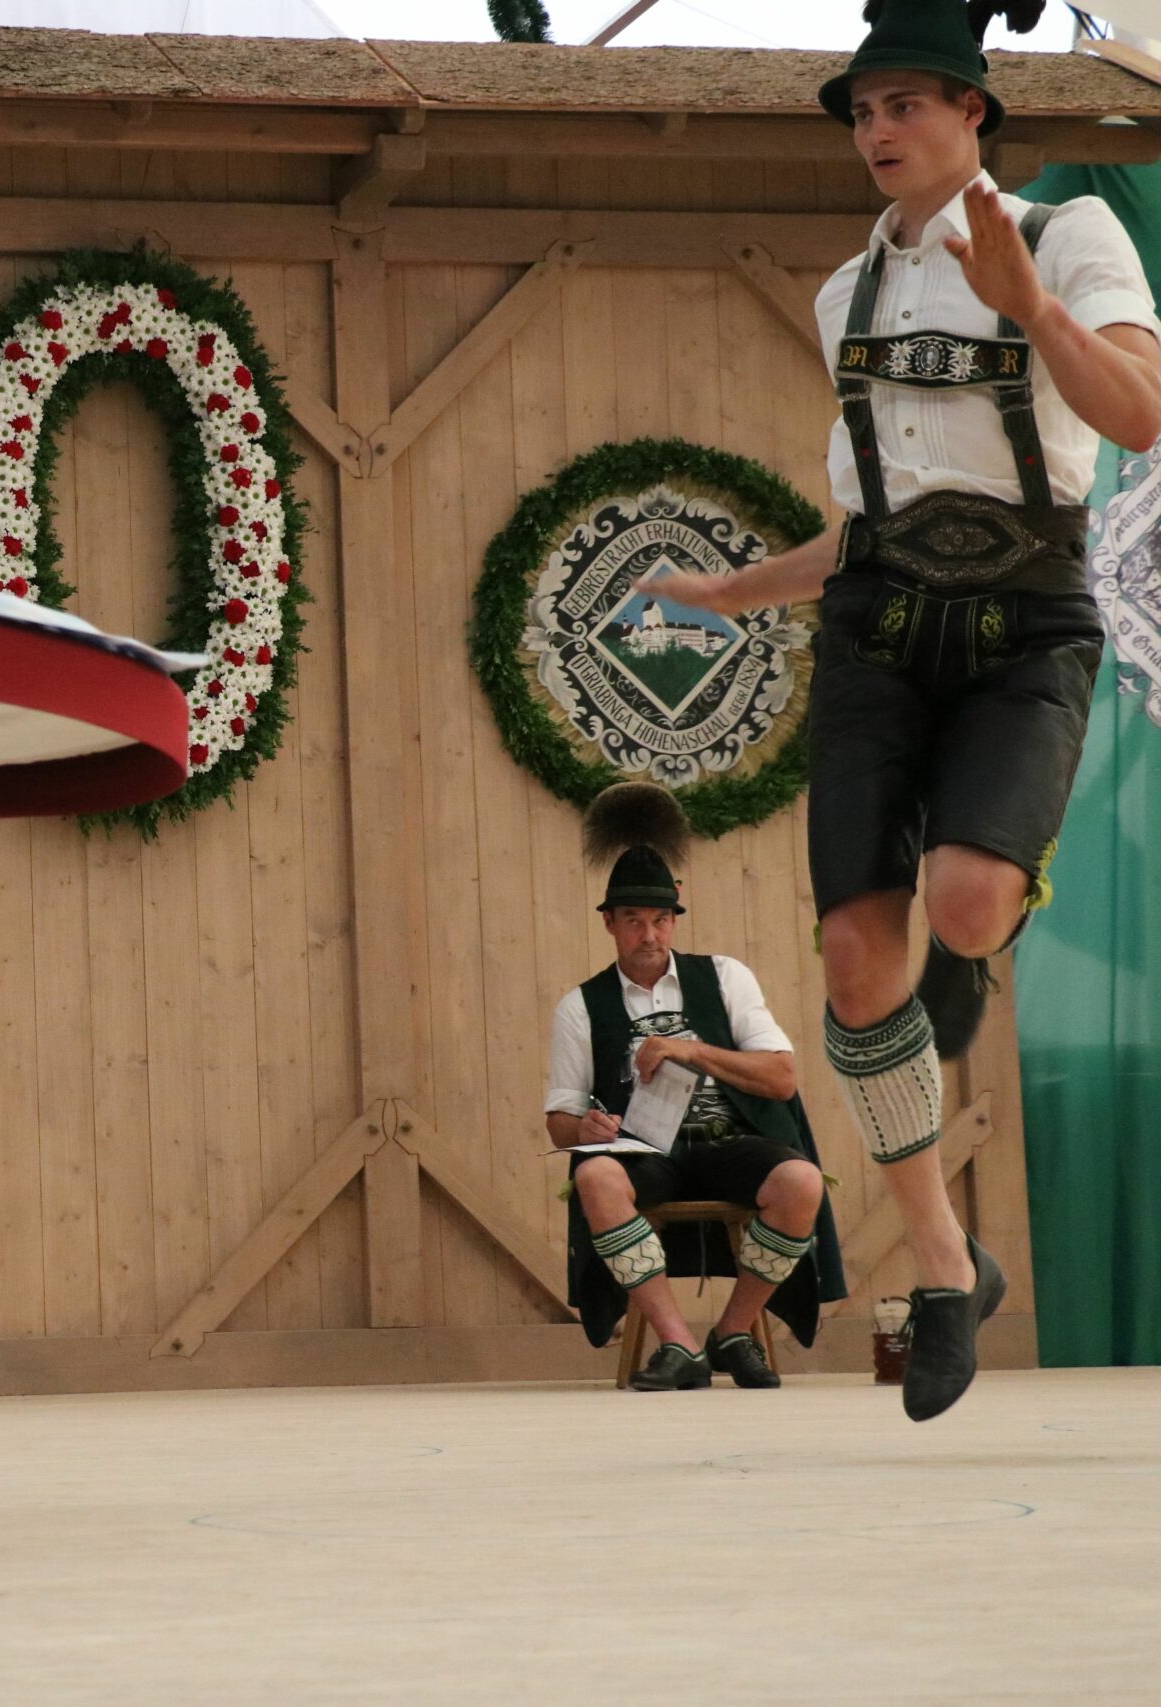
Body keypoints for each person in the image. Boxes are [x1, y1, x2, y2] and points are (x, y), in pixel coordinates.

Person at [638, 0, 1161, 1420]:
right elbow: (872, 518)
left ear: (974, 112)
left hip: (1027, 618)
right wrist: (734, 588)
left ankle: (979, 944)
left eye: (905, 104)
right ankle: (944, 1263)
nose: (877, 130)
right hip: (877, 625)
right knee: (856, 962)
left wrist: (1030, 304)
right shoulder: (843, 295)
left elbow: (1136, 418)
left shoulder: (1070, 236)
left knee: (970, 904)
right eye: (863, 111)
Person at [549, 785, 845, 1390]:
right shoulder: (580, 1006)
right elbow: (559, 1122)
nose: (649, 935)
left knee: (801, 1182)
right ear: (609, 923)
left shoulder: (726, 977)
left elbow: (782, 1077)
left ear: (674, 920)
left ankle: (732, 1332)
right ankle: (679, 1344)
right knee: (595, 1176)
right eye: (634, 921)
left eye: (660, 920)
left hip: (729, 1140)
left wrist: (693, 1050)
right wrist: (585, 1128)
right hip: (644, 1152)